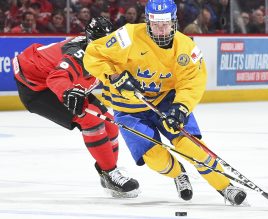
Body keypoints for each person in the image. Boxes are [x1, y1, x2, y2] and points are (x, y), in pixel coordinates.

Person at [83, 0, 247, 205]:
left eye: (165, 22)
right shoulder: (128, 36)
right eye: (155, 22)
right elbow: (93, 55)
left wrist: (181, 107)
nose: (160, 27)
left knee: (191, 146)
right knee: (154, 157)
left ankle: (226, 186)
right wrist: (114, 76)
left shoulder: (186, 48)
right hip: (128, 109)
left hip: (165, 101)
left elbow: (192, 82)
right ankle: (179, 174)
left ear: (174, 21)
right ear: (148, 21)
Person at [12, 16, 140, 198]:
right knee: (91, 120)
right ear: (90, 40)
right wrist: (67, 92)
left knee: (110, 123)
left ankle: (108, 173)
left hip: (58, 77)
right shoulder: (79, 55)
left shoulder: (105, 51)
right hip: (38, 87)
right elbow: (57, 78)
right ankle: (110, 172)